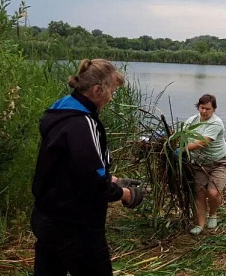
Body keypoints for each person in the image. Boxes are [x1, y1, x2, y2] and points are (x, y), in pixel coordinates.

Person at [31, 59, 145, 275]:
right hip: (76, 226)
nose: (112, 97)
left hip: (46, 217)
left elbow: (68, 169)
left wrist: (111, 180)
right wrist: (125, 194)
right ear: (97, 90)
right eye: (111, 91)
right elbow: (93, 184)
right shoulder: (84, 124)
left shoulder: (58, 113)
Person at [181, 94, 226, 235]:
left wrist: (182, 150)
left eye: (208, 109)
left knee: (213, 192)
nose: (204, 111)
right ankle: (200, 225)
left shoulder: (216, 123)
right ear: (198, 107)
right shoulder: (191, 121)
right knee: (199, 192)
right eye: (202, 108)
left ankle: (213, 213)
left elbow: (202, 142)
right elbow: (182, 136)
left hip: (220, 161)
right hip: (199, 163)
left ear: (214, 109)